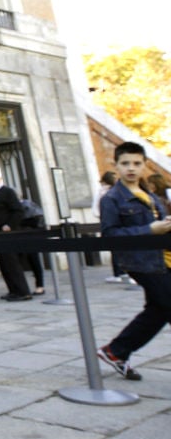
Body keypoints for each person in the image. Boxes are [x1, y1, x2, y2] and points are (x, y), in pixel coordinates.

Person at [96, 141, 171, 381]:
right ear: (116, 165)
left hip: (164, 259)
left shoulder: (149, 194)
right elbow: (111, 235)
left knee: (158, 310)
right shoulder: (112, 199)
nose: (131, 168)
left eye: (137, 163)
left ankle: (116, 351)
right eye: (125, 163)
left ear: (144, 165)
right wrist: (149, 229)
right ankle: (116, 351)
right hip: (141, 262)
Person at [0, 169, 33, 302]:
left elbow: (17, 211)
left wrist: (9, 225)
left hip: (6, 232)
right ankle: (12, 290)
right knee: (3, 263)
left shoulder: (7, 192)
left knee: (11, 262)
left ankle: (23, 291)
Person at [96, 171, 134, 284]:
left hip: (112, 223)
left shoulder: (104, 193)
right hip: (125, 223)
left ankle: (120, 272)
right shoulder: (122, 192)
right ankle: (127, 272)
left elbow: (96, 209)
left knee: (116, 249)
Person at [18, 195, 47, 295]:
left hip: (29, 236)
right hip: (22, 236)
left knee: (34, 260)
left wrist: (19, 223)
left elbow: (36, 220)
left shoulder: (26, 205)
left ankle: (40, 285)